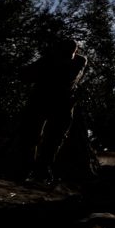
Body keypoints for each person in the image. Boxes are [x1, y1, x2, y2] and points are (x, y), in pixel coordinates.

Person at [18, 38, 88, 180]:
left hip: (60, 103)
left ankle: (41, 169)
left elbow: (70, 76)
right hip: (44, 100)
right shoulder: (50, 59)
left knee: (54, 138)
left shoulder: (78, 61)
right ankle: (27, 168)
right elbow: (25, 75)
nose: (69, 54)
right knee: (34, 135)